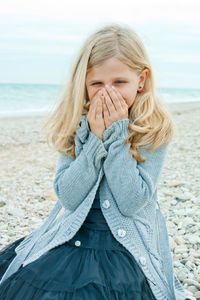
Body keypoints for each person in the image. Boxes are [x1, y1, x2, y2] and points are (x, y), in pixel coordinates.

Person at [0, 23, 187, 300]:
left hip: (125, 245)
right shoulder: (77, 125)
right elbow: (69, 198)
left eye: (119, 83)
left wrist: (117, 135)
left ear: (141, 80)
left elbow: (131, 201)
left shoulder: (154, 128)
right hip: (74, 234)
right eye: (96, 84)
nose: (107, 93)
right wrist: (95, 141)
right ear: (83, 85)